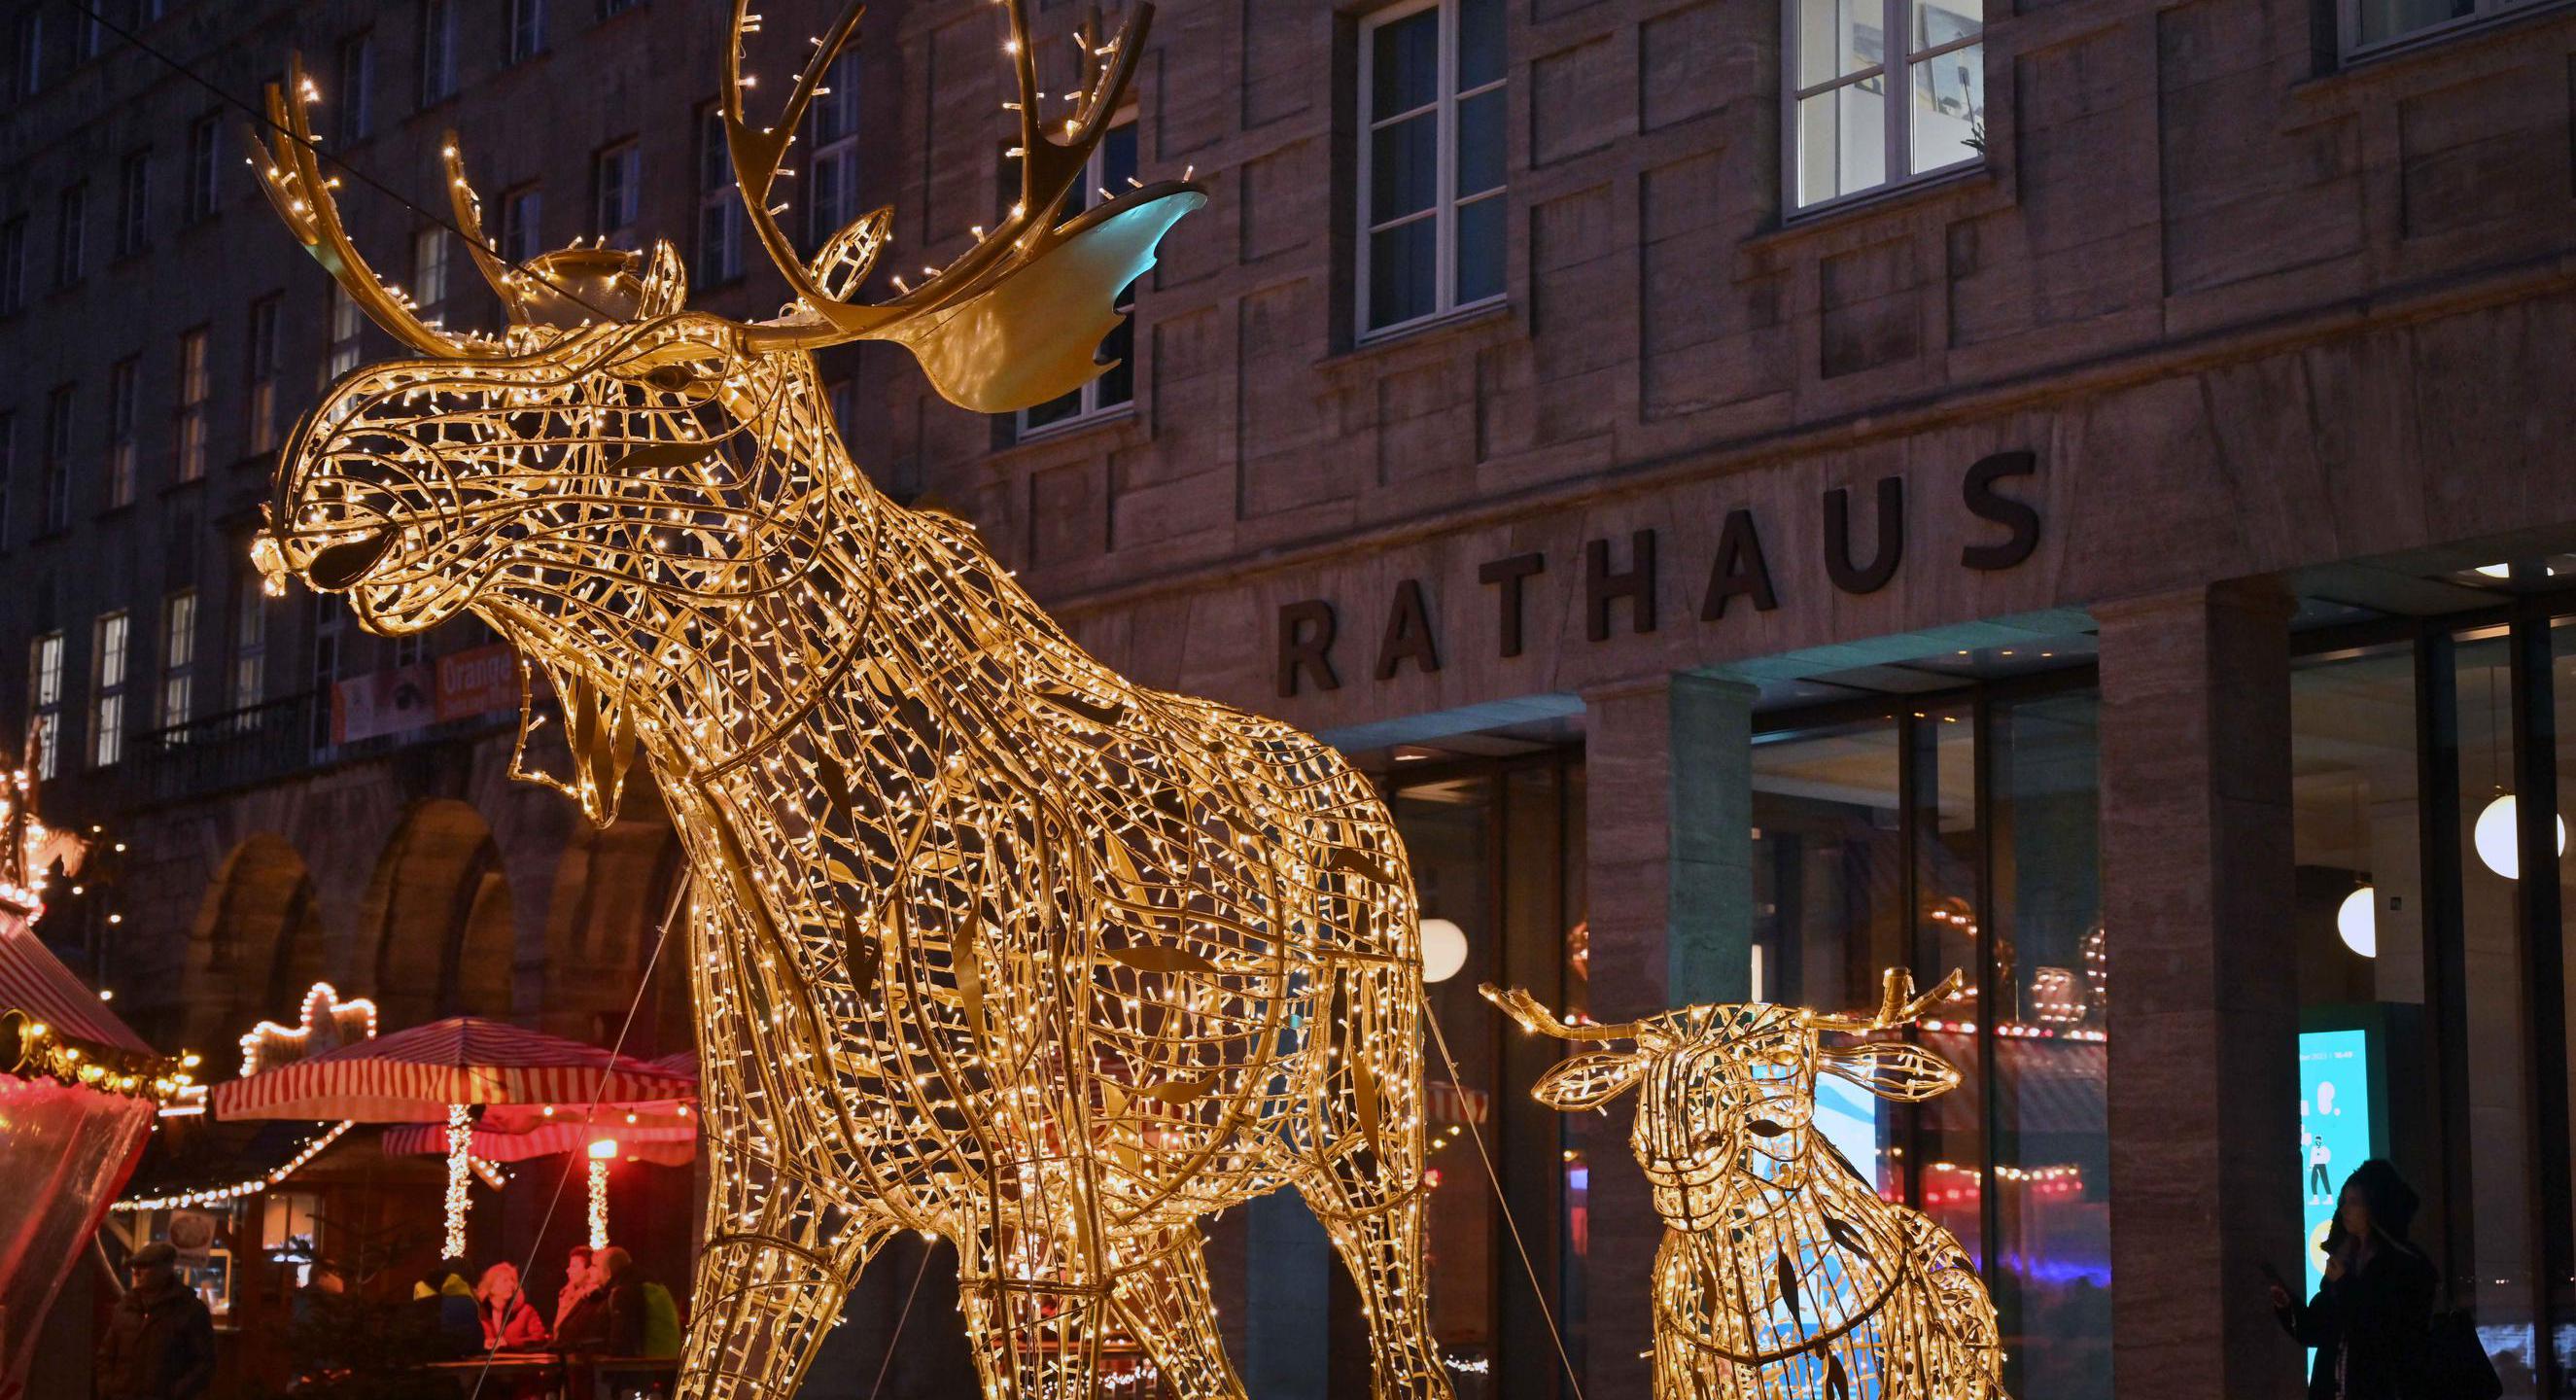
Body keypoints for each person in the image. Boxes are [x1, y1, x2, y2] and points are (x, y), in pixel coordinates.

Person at [2271, 1158, 2438, 1400]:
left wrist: (2344, 1284)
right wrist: (2288, 1306)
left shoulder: (2407, 1266)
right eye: (2342, 1202)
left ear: (2376, 1208)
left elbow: (2386, 1335)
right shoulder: (2344, 1259)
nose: (2343, 1210)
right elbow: (2317, 1330)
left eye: (2354, 1202)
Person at [95, 1241, 216, 1400]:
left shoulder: (189, 1310)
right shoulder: (126, 1307)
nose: (136, 1273)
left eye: (144, 1267)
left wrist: (174, 1393)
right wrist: (108, 1388)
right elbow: (106, 1355)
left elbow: (204, 1363)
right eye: (134, 1267)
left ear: (166, 1270)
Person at [476, 1260, 552, 1349]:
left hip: (517, 1362)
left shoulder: (526, 1311)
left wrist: (508, 1343)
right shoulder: (479, 1313)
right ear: (491, 1287)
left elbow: (540, 1338)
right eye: (505, 1280)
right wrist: (482, 1343)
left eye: (512, 1280)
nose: (511, 1284)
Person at [594, 1246, 648, 1356]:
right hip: (664, 1361)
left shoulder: (622, 1293)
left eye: (598, 1269)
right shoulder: (642, 1283)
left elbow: (621, 1341)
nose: (597, 1276)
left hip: (647, 1364)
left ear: (608, 1272)